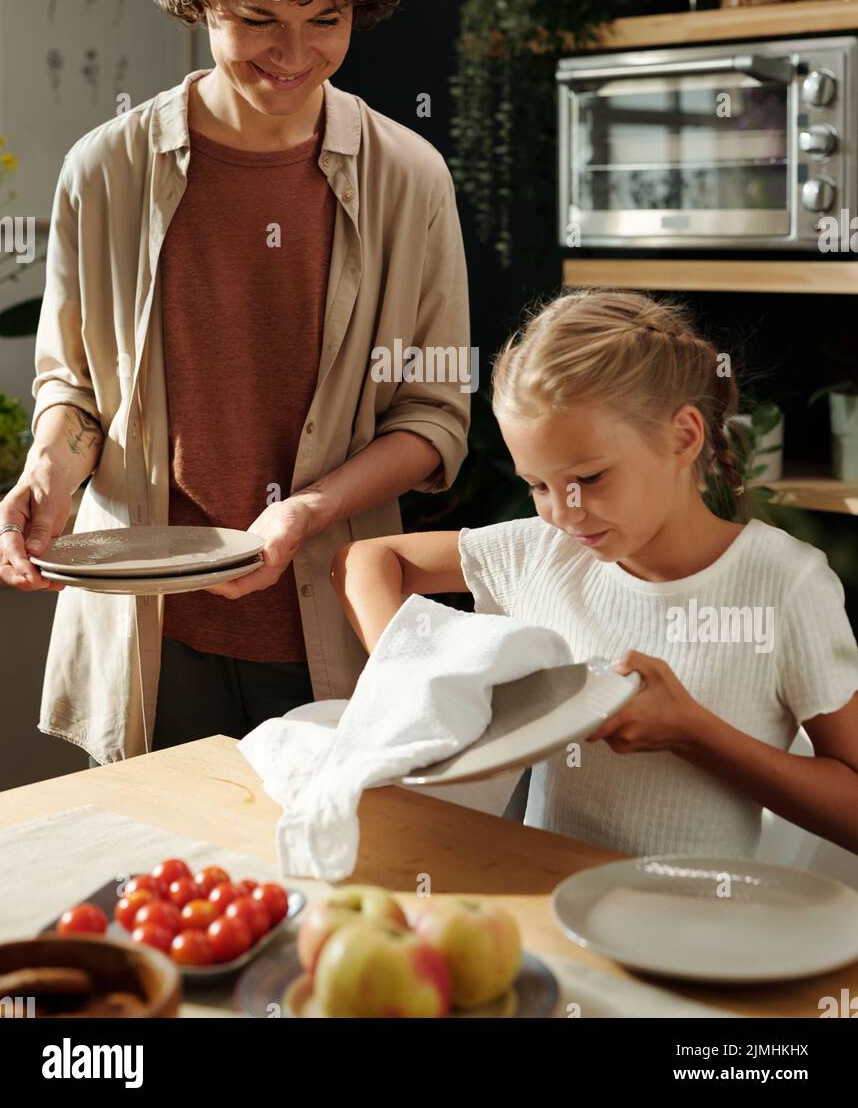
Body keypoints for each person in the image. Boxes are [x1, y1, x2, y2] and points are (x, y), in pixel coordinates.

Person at [0, 0, 471, 766]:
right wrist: (45, 475)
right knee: (164, 894)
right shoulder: (106, 171)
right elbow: (73, 388)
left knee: (328, 896)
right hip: (149, 632)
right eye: (258, 20)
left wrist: (302, 515)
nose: (292, 57)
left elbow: (434, 418)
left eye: (324, 21)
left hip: (335, 620)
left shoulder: (408, 177)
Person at [331, 288, 858, 858]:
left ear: (683, 437)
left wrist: (691, 733)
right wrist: (409, 677)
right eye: (537, 485)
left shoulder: (785, 585)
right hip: (546, 914)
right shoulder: (542, 553)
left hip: (698, 931)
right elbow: (364, 560)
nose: (563, 512)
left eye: (592, 477)